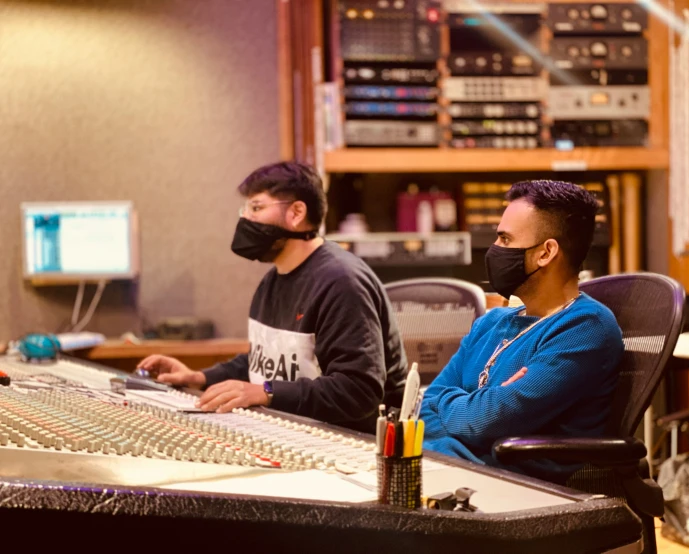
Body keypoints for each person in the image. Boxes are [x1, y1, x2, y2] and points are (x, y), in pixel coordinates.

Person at [138, 161, 407, 433]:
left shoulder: (342, 281)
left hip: (350, 445)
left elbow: (358, 391)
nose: (245, 219)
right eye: (245, 209)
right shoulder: (274, 279)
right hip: (290, 433)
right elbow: (264, 361)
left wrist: (266, 392)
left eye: (256, 208)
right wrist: (199, 378)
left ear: (296, 213)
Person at [419, 179, 624, 482]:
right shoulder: (490, 323)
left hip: (515, 495)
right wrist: (485, 401)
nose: (495, 249)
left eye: (505, 239)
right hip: (447, 474)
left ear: (546, 252)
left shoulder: (585, 327)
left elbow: (486, 421)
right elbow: (426, 404)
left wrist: (461, 407)